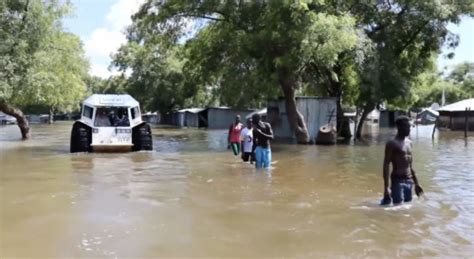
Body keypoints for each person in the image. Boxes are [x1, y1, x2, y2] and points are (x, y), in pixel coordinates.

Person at [381, 116, 424, 205]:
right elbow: (386, 165)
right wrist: (386, 188)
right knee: (397, 207)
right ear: (400, 127)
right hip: (397, 180)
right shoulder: (392, 143)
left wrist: (417, 183)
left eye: (410, 127)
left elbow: (410, 165)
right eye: (407, 127)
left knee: (407, 208)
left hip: (409, 180)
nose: (409, 129)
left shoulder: (409, 143)